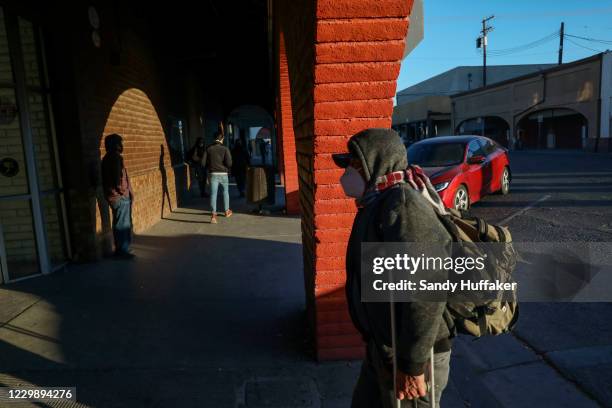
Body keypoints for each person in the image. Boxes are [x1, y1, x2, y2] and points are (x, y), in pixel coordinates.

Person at [332, 128, 453, 408]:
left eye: (355, 164)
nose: (348, 172)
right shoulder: (375, 204)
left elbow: (427, 289)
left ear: (377, 162)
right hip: (384, 349)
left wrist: (412, 366)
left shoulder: (403, 205)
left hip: (414, 355)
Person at [101, 133, 135, 259]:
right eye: (120, 143)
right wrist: (124, 191)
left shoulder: (107, 158)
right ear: (115, 144)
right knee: (122, 225)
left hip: (113, 196)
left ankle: (121, 249)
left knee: (118, 223)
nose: (122, 145)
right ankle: (123, 251)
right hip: (119, 197)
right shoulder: (115, 158)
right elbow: (118, 179)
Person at [203, 130, 233, 224]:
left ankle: (213, 216)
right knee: (225, 192)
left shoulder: (208, 149)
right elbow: (229, 163)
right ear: (222, 139)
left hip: (213, 174)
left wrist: (210, 166)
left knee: (213, 194)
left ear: (214, 138)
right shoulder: (225, 148)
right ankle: (227, 211)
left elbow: (203, 163)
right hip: (223, 174)